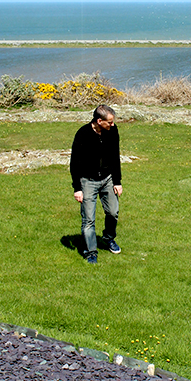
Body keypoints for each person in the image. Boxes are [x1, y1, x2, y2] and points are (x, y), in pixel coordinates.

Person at [70, 104, 123, 265]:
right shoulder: (82, 134)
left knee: (113, 212)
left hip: (107, 179)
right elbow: (74, 163)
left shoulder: (112, 132)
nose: (112, 125)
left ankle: (108, 238)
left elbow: (115, 156)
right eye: (110, 122)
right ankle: (90, 252)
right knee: (88, 220)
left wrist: (117, 182)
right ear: (99, 121)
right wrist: (77, 188)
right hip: (88, 181)